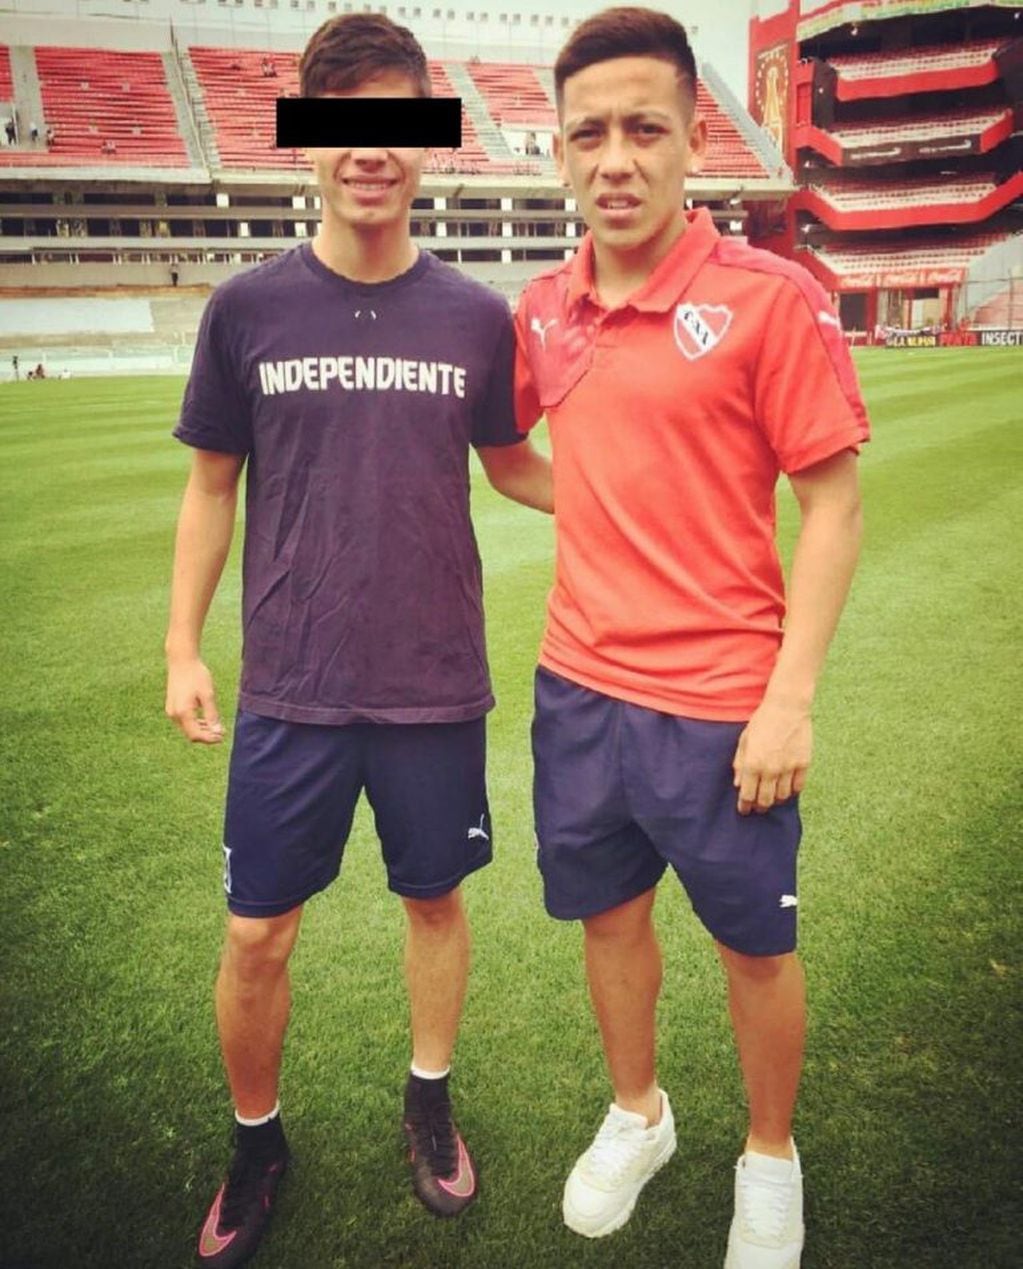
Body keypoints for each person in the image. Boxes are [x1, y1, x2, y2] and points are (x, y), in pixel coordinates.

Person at [165, 13, 552, 1268]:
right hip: (293, 680)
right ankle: (257, 1143)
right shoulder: (247, 308)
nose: (370, 152)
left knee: (434, 901)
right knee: (254, 934)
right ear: (308, 145)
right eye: (343, 126)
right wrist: (182, 647)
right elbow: (210, 487)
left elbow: (514, 468)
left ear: (428, 142)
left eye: (395, 124)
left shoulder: (475, 318)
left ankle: (427, 1106)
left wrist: (649, 480)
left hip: (435, 680)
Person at [513, 8, 868, 1266]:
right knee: (610, 922)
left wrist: (790, 699)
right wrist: (602, 497)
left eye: (643, 129)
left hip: (725, 701)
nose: (615, 157)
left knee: (755, 945)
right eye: (589, 134)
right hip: (578, 692)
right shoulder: (543, 307)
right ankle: (639, 1114)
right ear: (558, 152)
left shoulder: (767, 298)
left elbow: (830, 504)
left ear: (691, 138)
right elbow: (513, 452)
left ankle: (770, 1156)